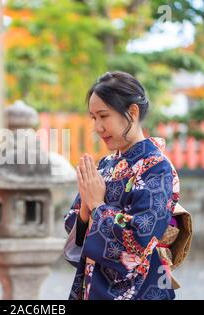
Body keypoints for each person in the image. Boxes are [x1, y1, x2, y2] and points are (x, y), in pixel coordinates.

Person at [63, 71, 180, 300]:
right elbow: (73, 225)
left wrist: (97, 205)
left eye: (103, 116)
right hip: (94, 285)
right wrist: (86, 208)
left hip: (142, 289)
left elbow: (139, 239)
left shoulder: (158, 168)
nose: (97, 127)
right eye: (93, 117)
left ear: (132, 112)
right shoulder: (106, 165)